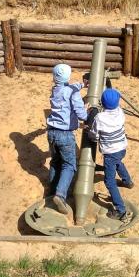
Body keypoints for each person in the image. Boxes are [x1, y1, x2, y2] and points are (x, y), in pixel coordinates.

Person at [46, 63, 88, 214]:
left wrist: (82, 84)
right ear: (68, 77)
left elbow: (69, 87)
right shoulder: (72, 93)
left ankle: (51, 191)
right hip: (65, 135)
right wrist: (88, 116)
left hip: (51, 132)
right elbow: (81, 113)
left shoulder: (56, 89)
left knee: (55, 161)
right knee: (69, 165)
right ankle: (60, 195)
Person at [87, 88, 134, 221]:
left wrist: (88, 131)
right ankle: (127, 181)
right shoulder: (120, 112)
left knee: (109, 181)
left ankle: (121, 210)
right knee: (118, 162)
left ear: (102, 102)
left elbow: (94, 136)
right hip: (122, 148)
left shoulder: (99, 118)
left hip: (110, 152)